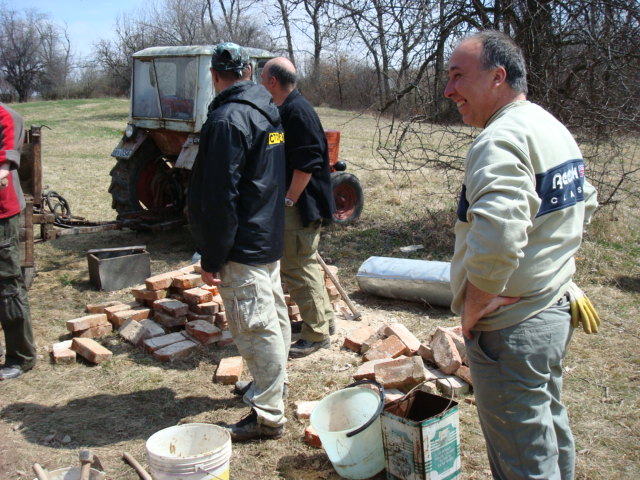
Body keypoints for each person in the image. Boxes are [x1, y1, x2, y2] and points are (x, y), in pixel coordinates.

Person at [445, 31, 598, 479]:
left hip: (513, 329)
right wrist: (555, 267)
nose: (449, 90)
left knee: (523, 460)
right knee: (546, 432)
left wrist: (473, 310)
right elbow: (583, 200)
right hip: (550, 309)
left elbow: (497, 238)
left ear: (497, 77)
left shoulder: (501, 139)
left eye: (458, 77)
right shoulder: (547, 125)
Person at [187, 43, 289, 441]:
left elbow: (220, 196)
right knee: (274, 321)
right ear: (248, 71)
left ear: (214, 75)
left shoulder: (227, 120)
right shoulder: (269, 113)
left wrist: (213, 254)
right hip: (266, 236)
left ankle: (267, 416)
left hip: (244, 246)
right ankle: (273, 390)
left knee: (256, 328)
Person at [261, 57, 336, 359]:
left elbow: (307, 164)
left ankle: (316, 334)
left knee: (297, 266)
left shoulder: (297, 112)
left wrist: (289, 198)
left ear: (273, 81)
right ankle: (323, 322)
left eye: (262, 77)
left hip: (301, 203)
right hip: (295, 200)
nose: (261, 83)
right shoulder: (285, 110)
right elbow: (280, 147)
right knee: (303, 264)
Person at [0, 103, 36, 381]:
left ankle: (21, 356)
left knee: (7, 283)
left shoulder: (7, 117)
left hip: (2, 213)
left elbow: (3, 169)